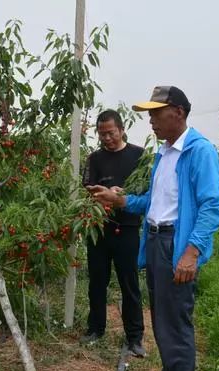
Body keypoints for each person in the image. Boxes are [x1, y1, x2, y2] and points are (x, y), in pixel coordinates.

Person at [88, 86, 219, 371]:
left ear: (177, 112)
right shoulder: (164, 154)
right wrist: (118, 199)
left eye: (156, 113)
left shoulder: (199, 151)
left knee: (176, 324)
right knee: (163, 322)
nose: (150, 120)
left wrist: (192, 252)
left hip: (176, 244)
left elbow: (211, 207)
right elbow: (152, 203)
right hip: (156, 241)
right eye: (149, 114)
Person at [81, 109, 146, 358]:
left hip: (127, 228)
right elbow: (88, 187)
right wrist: (103, 193)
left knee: (129, 283)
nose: (106, 138)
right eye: (102, 134)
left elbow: (144, 188)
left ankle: (135, 337)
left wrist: (123, 195)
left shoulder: (139, 156)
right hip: (99, 228)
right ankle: (95, 329)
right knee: (97, 281)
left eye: (110, 132)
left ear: (121, 129)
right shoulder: (95, 159)